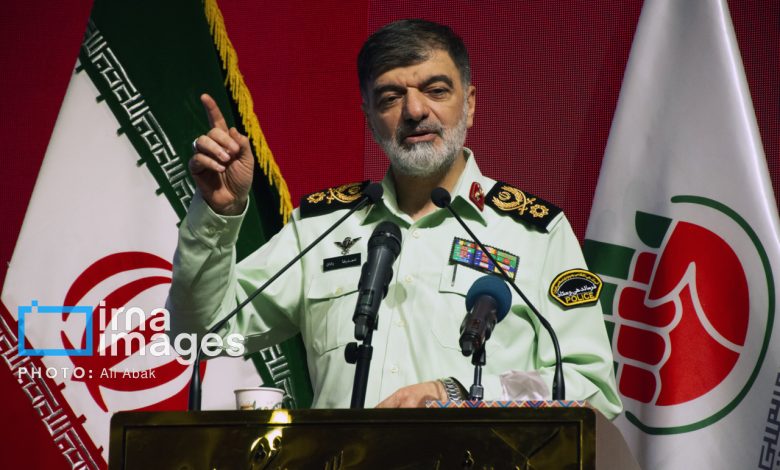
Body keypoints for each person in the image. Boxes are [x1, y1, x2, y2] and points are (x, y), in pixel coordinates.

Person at [168, 19, 622, 418]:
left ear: (469, 104)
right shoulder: (322, 227)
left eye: (436, 90)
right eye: (390, 97)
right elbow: (201, 335)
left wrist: (464, 397)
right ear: (369, 117)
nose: (415, 111)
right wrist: (218, 211)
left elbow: (591, 391)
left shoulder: (536, 233)